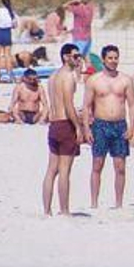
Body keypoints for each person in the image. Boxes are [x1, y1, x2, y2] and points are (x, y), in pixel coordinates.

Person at [85, 44, 134, 210]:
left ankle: (118, 203)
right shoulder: (94, 80)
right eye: (110, 58)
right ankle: (94, 203)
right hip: (100, 125)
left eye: (116, 58)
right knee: (97, 164)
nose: (114, 61)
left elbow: (132, 105)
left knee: (120, 166)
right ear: (103, 59)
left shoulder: (126, 80)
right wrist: (86, 128)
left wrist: (132, 125)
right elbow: (86, 106)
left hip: (120, 125)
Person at [43, 44, 89, 216]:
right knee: (64, 171)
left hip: (54, 124)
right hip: (64, 123)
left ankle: (47, 210)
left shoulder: (53, 76)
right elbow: (69, 105)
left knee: (51, 170)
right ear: (65, 57)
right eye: (75, 56)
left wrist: (78, 67)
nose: (78, 59)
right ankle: (64, 210)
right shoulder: (67, 77)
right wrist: (78, 126)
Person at [0, 0, 17, 73]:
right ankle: (9, 73)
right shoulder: (11, 12)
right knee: (7, 55)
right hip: (8, 33)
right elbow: (15, 26)